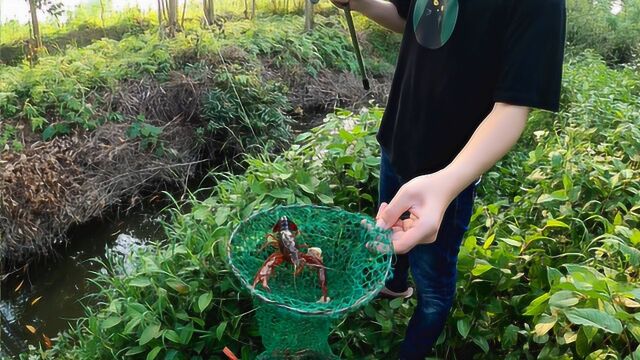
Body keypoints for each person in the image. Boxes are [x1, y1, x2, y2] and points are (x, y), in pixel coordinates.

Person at [330, 0, 566, 358]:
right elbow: (410, 18)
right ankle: (393, 285)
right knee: (390, 234)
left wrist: (446, 183)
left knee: (434, 289)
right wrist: (361, 3)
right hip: (396, 140)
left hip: (447, 174)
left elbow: (513, 107)